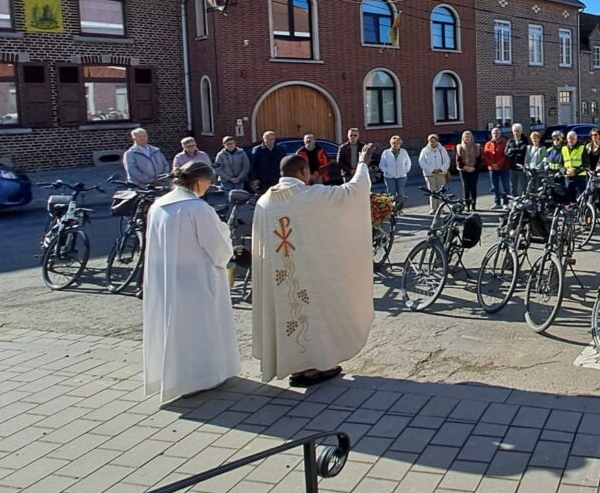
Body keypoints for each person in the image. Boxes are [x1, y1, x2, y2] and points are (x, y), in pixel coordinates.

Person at [252, 146, 375, 387]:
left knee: (290, 309)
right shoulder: (307, 196)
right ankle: (311, 367)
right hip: (308, 271)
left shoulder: (264, 201)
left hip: (278, 276)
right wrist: (362, 163)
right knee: (311, 311)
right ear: (303, 171)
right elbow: (351, 193)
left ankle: (294, 366)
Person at [141, 161, 238, 405]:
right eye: (209, 181)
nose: (210, 186)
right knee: (200, 327)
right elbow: (217, 246)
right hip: (197, 278)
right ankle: (202, 377)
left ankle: (176, 376)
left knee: (175, 327)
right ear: (199, 181)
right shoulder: (197, 208)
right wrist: (226, 234)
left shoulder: (158, 205)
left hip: (166, 277)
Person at [419, 134, 451, 208]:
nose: (431, 143)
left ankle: (440, 208)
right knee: (432, 191)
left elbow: (447, 160)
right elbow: (421, 162)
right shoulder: (424, 150)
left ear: (437, 141)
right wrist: (431, 170)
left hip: (441, 173)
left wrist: (441, 169)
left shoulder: (442, 149)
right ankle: (433, 208)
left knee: (440, 191)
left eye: (433, 141)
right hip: (430, 174)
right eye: (430, 141)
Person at [483, 127, 510, 208]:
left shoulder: (505, 143)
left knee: (506, 186)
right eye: (494, 133)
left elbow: (506, 155)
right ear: (491, 134)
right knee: (494, 186)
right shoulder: (488, 144)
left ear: (500, 134)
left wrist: (498, 164)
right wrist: (492, 165)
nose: (495, 135)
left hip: (503, 168)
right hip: (492, 169)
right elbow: (486, 156)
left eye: (497, 133)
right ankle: (497, 202)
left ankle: (506, 203)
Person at [456, 131, 481, 210]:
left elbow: (479, 159)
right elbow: (458, 160)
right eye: (465, 137)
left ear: (471, 138)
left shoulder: (477, 146)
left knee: (473, 187)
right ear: (463, 138)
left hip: (474, 169)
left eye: (468, 137)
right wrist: (465, 167)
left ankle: (473, 205)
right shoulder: (459, 147)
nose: (467, 138)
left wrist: (474, 167)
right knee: (466, 187)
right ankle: (467, 205)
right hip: (463, 170)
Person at [379, 135, 411, 199]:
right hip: (389, 177)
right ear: (391, 143)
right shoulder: (386, 152)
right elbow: (381, 165)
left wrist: (405, 170)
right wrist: (387, 171)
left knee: (401, 194)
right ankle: (392, 208)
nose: (396, 145)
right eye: (394, 143)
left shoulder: (404, 152)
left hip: (402, 176)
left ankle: (399, 207)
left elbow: (408, 163)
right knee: (391, 194)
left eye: (398, 143)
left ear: (400, 144)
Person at [561, 129, 588, 199]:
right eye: (569, 139)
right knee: (569, 197)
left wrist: (575, 171)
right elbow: (560, 164)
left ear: (576, 139)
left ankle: (582, 209)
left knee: (582, 197)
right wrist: (564, 171)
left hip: (580, 177)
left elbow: (586, 164)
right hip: (568, 176)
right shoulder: (563, 149)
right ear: (567, 139)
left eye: (572, 138)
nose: (570, 140)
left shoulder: (582, 148)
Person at [505, 124, 530, 199]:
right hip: (512, 166)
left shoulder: (524, 140)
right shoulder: (510, 140)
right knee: (513, 186)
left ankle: (524, 201)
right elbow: (506, 152)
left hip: (521, 167)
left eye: (517, 131)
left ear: (521, 131)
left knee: (523, 186)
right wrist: (515, 152)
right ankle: (514, 201)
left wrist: (512, 150)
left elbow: (523, 150)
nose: (516, 133)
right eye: (514, 131)